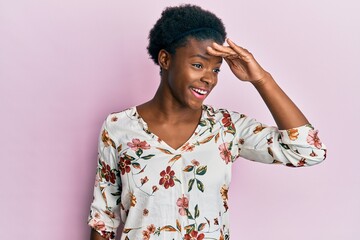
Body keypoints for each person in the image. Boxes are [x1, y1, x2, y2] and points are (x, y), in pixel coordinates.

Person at [88, 4, 326, 240]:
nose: (209, 79)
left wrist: (261, 79)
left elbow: (307, 149)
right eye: (198, 65)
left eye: (216, 70)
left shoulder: (226, 127)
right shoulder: (119, 127)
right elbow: (104, 219)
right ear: (165, 59)